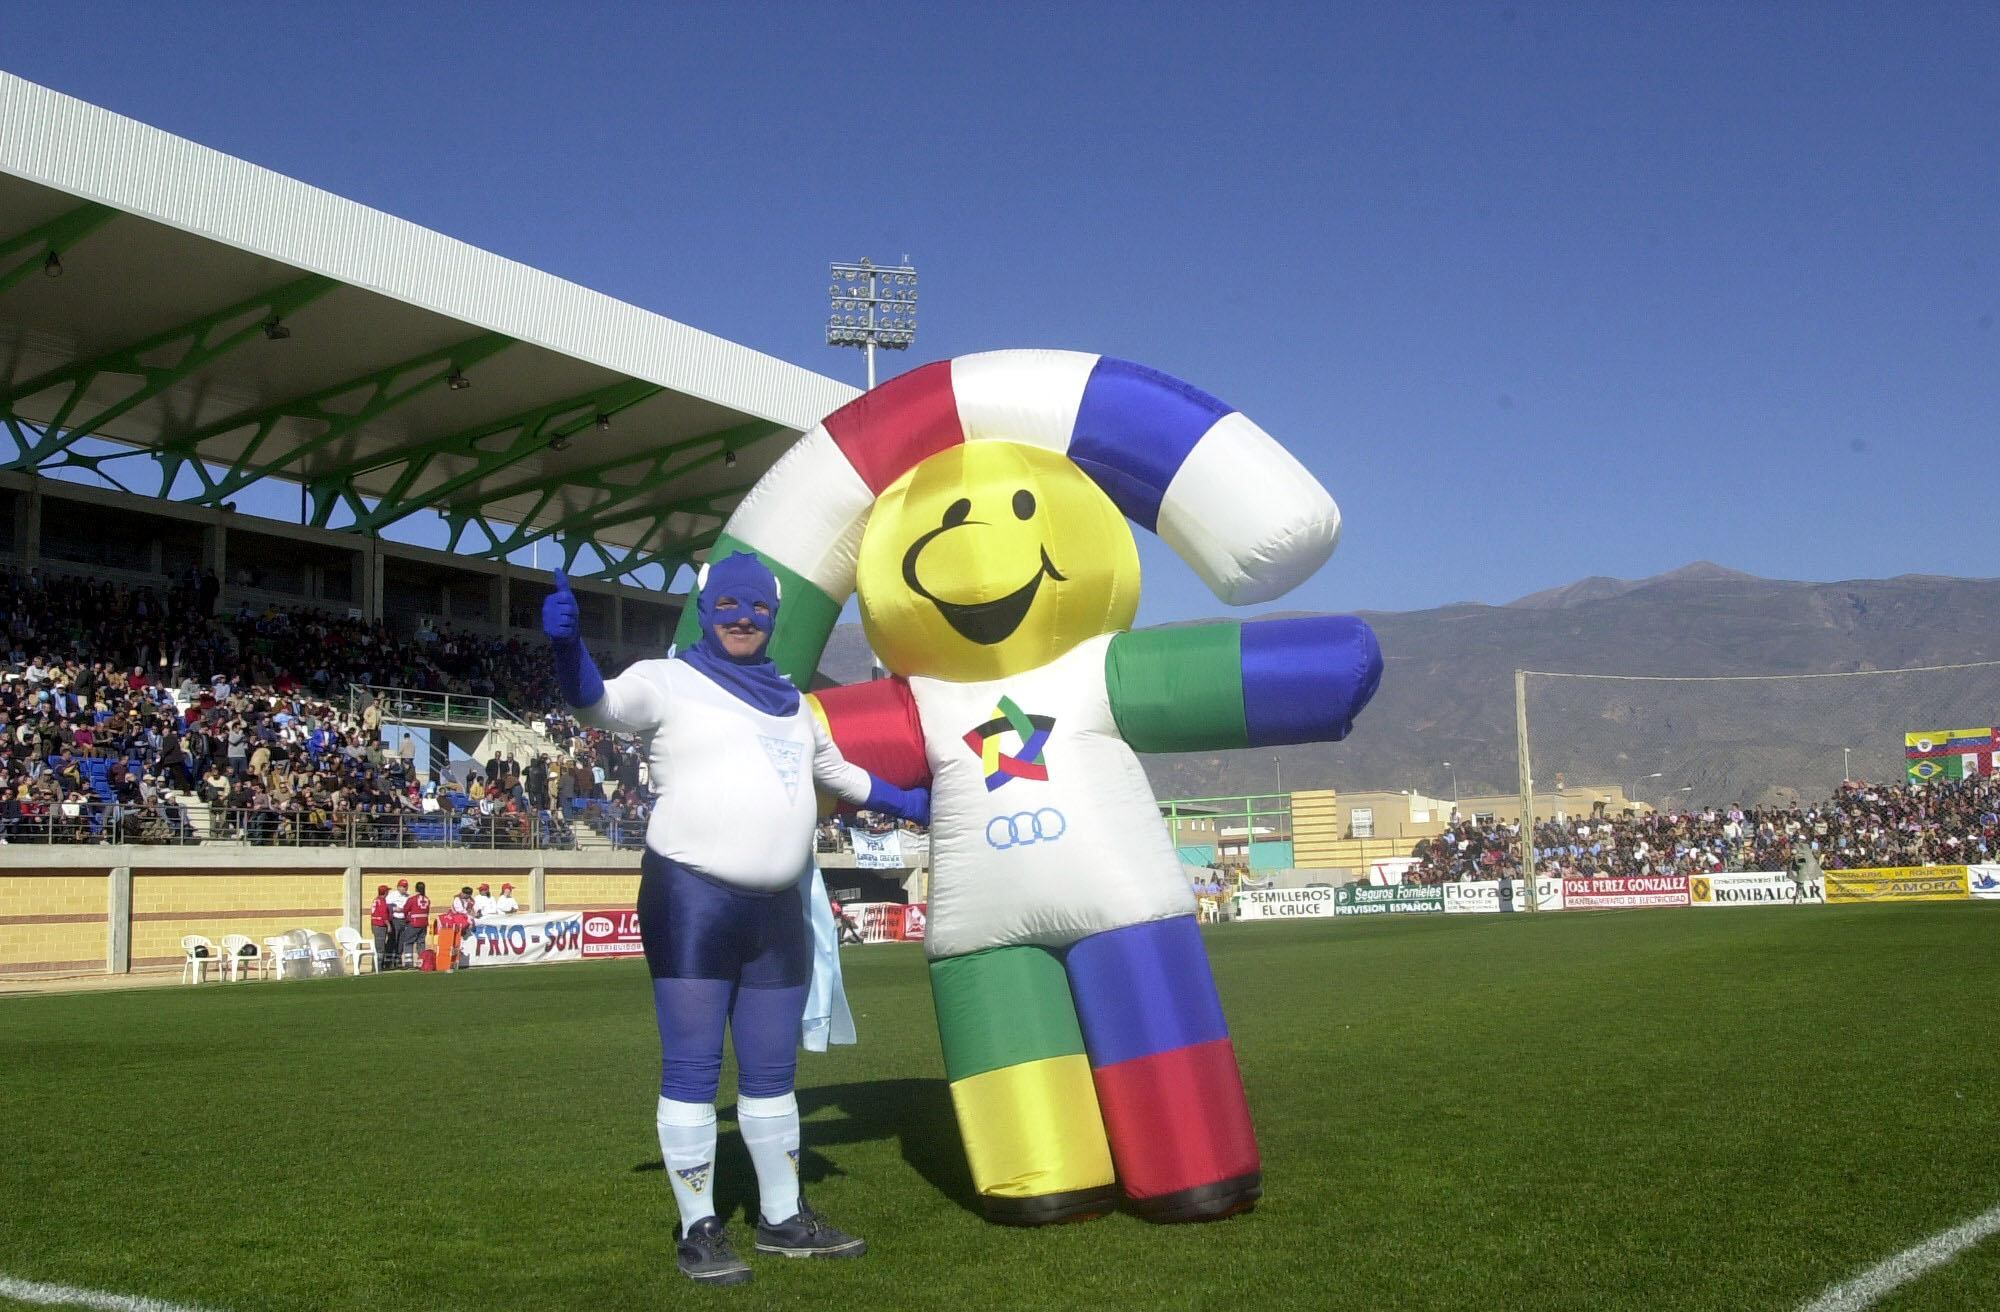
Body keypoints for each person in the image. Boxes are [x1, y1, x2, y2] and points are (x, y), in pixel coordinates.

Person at [545, 555, 927, 1286]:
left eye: (755, 608)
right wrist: (568, 650)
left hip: (779, 910)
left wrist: (917, 805)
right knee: (693, 1068)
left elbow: (841, 777)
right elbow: (598, 707)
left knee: (773, 1075)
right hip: (693, 898)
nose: (743, 618)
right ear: (705, 606)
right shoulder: (667, 679)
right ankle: (700, 1229)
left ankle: (783, 1220)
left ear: (773, 615)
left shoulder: (794, 701)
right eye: (729, 606)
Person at [404, 881, 432, 969]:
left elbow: (405, 909)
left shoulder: (412, 899)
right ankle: (422, 962)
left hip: (414, 923)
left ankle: (409, 962)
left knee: (409, 942)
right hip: (424, 923)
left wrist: (407, 918)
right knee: (421, 943)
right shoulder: (427, 899)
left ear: (416, 889)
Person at [386, 879, 410, 969]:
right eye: (403, 886)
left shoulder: (408, 896)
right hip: (395, 920)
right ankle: (388, 962)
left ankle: (398, 961)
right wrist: (395, 908)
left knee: (401, 941)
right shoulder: (392, 895)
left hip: (404, 920)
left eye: (406, 886)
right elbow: (386, 905)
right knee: (392, 940)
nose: (405, 888)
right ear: (398, 887)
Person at [369, 884, 394, 967]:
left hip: (375, 925)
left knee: (377, 946)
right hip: (380, 926)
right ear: (385, 892)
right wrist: (389, 925)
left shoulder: (376, 899)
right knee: (380, 947)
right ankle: (378, 966)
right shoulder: (382, 901)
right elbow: (384, 915)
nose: (388, 892)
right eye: (387, 891)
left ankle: (375, 965)